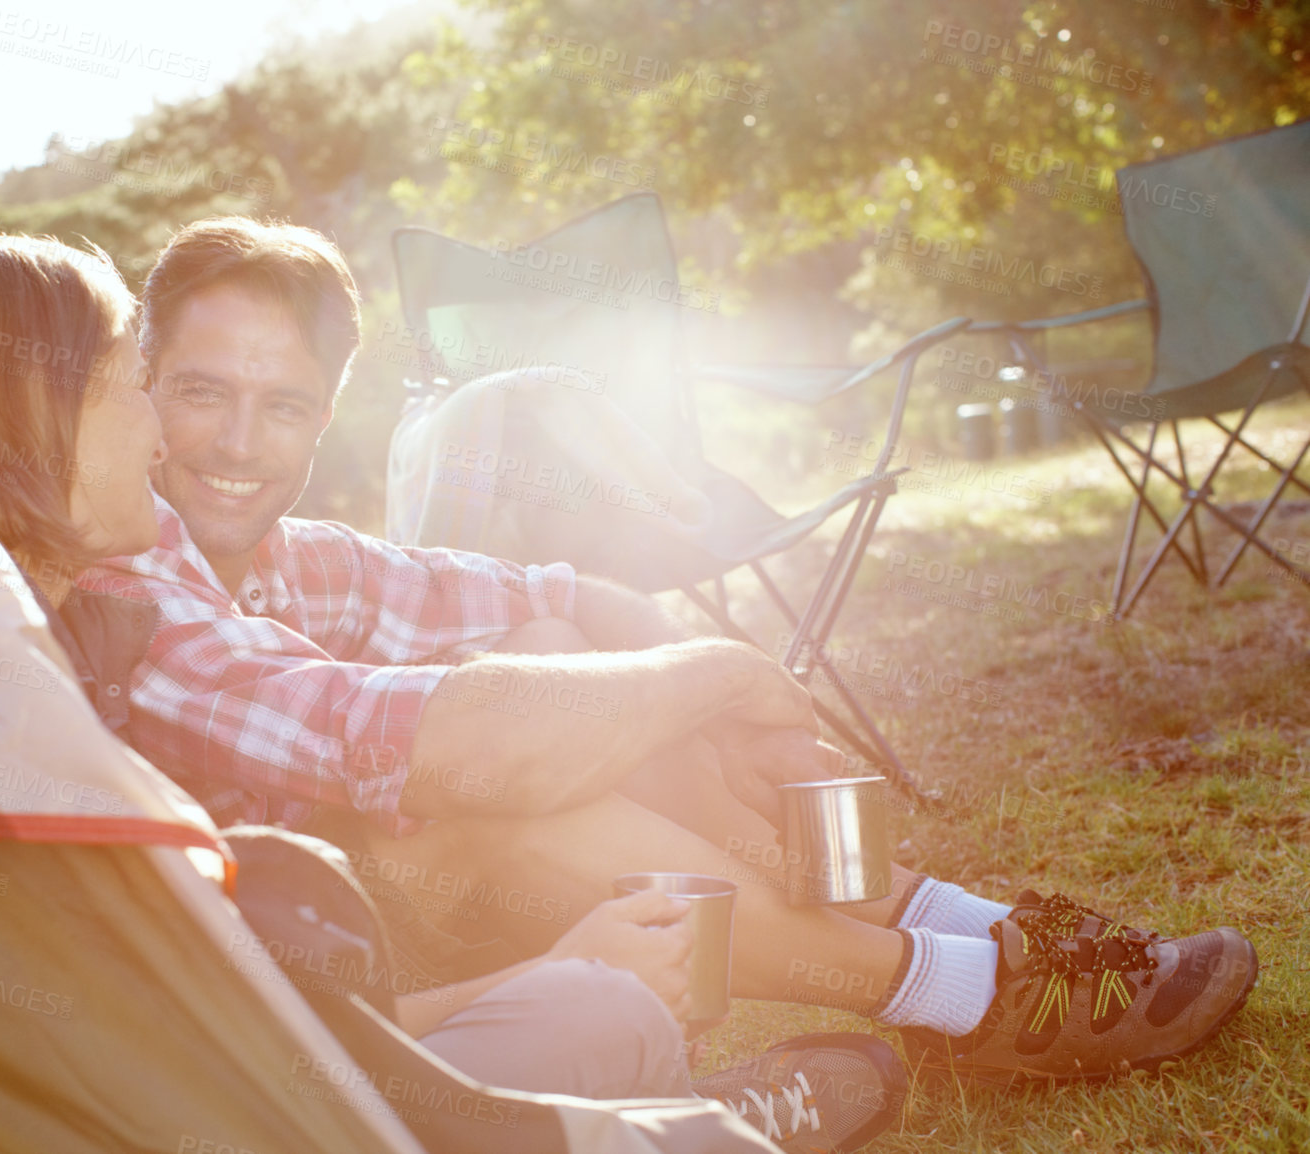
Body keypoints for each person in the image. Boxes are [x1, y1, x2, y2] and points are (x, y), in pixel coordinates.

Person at [91, 216, 1255, 1085]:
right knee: (494, 785)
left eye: (282, 405)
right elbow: (395, 742)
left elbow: (556, 593)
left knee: (556, 646)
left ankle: (956, 916)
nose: (239, 443)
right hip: (303, 1002)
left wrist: (735, 705)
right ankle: (971, 990)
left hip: (408, 915)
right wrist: (727, 672)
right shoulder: (120, 585)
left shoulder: (291, 558)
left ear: (325, 409)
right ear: (138, 383)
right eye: (201, 392)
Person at [0, 233, 904, 1153]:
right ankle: (764, 1068)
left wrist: (688, 677)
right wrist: (536, 973)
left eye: (280, 405)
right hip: (204, 1099)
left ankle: (740, 1054)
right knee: (596, 1001)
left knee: (546, 673)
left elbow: (514, 605)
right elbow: (182, 1052)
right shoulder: (10, 688)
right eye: (143, 386)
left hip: (274, 1032)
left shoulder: (67, 624)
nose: (172, 437)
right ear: (33, 418)